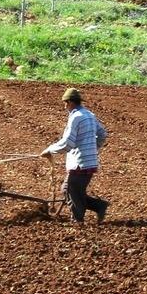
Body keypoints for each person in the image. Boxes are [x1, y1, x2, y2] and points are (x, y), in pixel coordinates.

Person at [40, 88, 109, 224]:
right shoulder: (89, 114)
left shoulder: (76, 118)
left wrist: (49, 150)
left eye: (65, 103)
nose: (65, 106)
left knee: (72, 191)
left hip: (79, 163)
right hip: (89, 161)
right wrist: (92, 148)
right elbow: (102, 134)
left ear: (70, 102)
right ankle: (99, 206)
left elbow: (68, 143)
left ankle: (77, 221)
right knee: (67, 189)